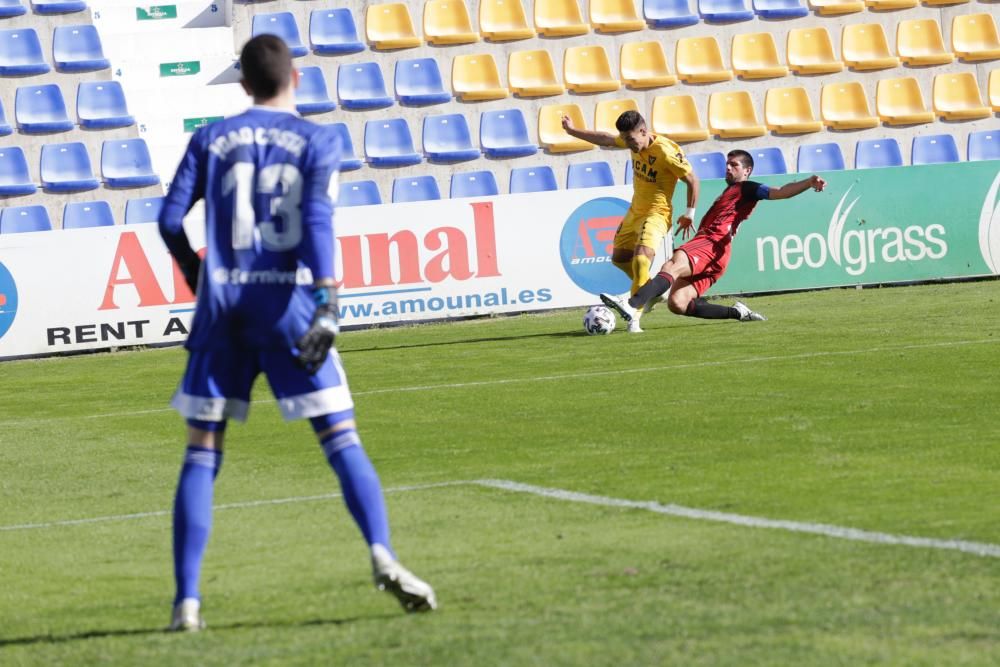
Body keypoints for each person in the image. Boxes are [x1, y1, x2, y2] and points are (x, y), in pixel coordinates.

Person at [157, 35, 436, 632]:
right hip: (286, 305)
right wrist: (328, 302)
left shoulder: (209, 138)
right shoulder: (318, 139)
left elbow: (167, 219)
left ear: (242, 84)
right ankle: (381, 553)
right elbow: (314, 220)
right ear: (296, 78)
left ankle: (187, 601)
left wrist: (193, 269)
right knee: (340, 438)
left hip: (222, 307)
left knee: (202, 453)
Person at [600, 150, 827, 325]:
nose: (728, 168)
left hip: (711, 243)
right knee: (678, 304)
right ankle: (738, 312)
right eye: (727, 164)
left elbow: (780, 192)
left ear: (746, 171)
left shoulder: (747, 188)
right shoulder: (729, 193)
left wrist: (808, 182)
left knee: (672, 265)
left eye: (734, 165)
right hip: (718, 253)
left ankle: (631, 304)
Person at [561, 110, 699, 333]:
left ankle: (634, 316)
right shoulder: (630, 140)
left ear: (643, 131)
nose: (628, 144)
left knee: (641, 260)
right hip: (635, 211)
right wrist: (572, 130)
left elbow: (692, 179)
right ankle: (651, 290)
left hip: (657, 213)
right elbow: (605, 139)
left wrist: (689, 213)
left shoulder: (666, 151)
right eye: (625, 139)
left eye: (631, 139)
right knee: (619, 258)